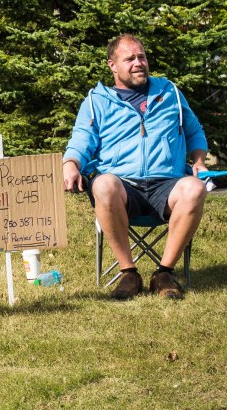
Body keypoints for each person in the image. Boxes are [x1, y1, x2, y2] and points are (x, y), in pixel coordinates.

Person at [63, 34, 208, 300]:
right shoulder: (97, 101)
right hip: (123, 187)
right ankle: (129, 273)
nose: (138, 63)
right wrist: (71, 163)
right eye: (129, 59)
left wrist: (198, 161)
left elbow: (194, 130)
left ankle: (164, 273)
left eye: (142, 57)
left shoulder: (169, 92)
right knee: (103, 183)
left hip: (168, 185)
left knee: (195, 188)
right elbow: (82, 139)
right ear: (112, 65)